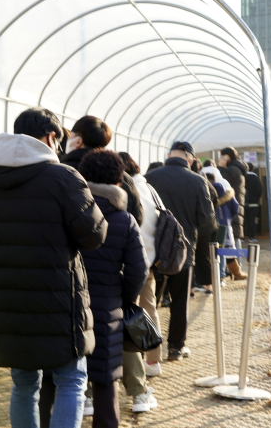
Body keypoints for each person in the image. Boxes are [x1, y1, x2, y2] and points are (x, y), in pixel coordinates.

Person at [0, 107, 108, 428]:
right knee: (71, 380)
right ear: (52, 137)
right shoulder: (63, 177)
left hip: (6, 296)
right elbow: (93, 235)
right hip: (58, 299)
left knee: (24, 385)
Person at [78, 149, 149, 427]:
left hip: (66, 305)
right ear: (119, 182)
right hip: (108, 306)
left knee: (63, 381)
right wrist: (125, 297)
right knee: (106, 381)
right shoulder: (124, 219)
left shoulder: (68, 212)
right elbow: (139, 269)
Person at [145, 141, 215, 361]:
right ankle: (176, 347)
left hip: (152, 249)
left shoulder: (151, 177)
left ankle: (147, 350)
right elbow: (206, 220)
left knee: (150, 301)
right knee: (179, 301)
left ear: (169, 155)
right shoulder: (197, 181)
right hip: (182, 250)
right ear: (191, 158)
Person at [117, 152, 163, 410]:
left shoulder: (126, 191)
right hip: (147, 260)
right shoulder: (149, 190)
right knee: (146, 310)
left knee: (126, 319)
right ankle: (153, 360)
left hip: (124, 262)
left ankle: (135, 378)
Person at [60, 115, 143, 226]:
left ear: (78, 141)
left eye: (71, 135)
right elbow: (137, 217)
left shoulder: (62, 171)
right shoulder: (123, 176)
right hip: (118, 239)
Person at [217, 147, 248, 280]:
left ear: (227, 157)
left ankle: (234, 270)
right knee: (235, 236)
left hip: (230, 207)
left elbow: (220, 180)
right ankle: (237, 270)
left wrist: (220, 166)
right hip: (236, 206)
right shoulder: (238, 168)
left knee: (231, 238)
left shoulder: (232, 170)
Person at [205, 172, 240, 284]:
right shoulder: (225, 191)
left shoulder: (205, 190)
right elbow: (235, 208)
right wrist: (228, 217)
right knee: (222, 250)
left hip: (210, 225)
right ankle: (221, 276)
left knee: (210, 251)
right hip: (225, 224)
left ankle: (211, 276)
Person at [191, 159, 218, 297]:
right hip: (206, 225)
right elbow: (215, 197)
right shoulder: (205, 181)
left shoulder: (188, 180)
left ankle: (190, 290)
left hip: (191, 224)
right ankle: (209, 287)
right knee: (203, 256)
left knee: (189, 257)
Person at [245, 163, 263, 242]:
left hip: (243, 203)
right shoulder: (255, 178)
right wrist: (256, 198)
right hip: (254, 203)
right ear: (253, 169)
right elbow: (260, 190)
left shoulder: (242, 177)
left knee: (243, 220)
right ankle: (251, 237)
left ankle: (241, 237)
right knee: (252, 220)